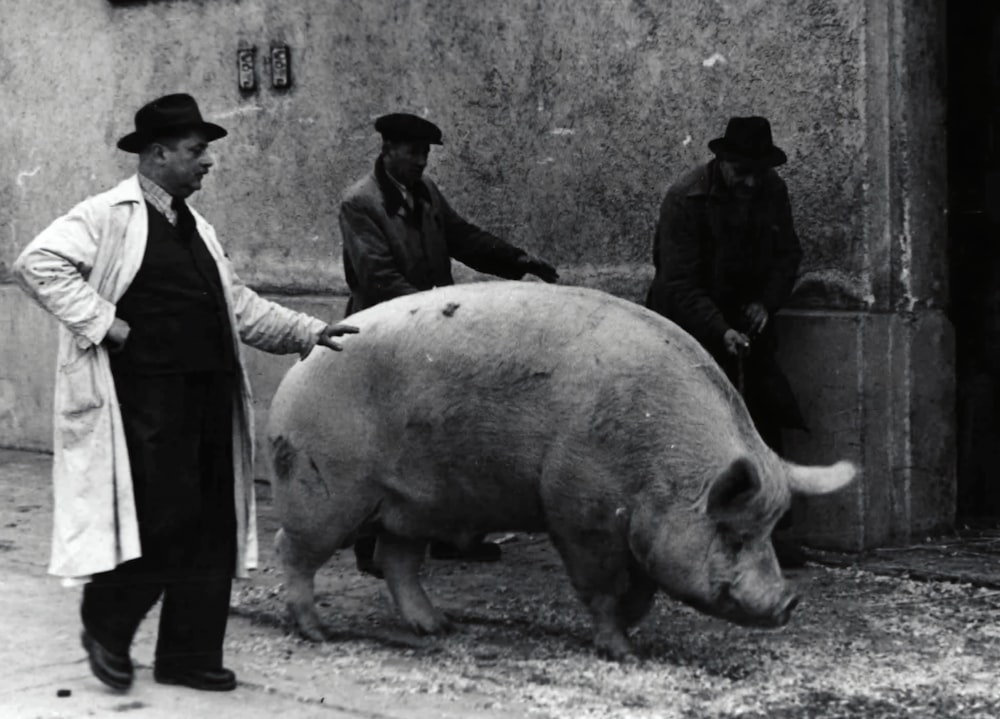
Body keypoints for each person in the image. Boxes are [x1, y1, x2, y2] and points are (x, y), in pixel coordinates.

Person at [13, 93, 359, 693]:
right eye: (197, 152)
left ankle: (189, 655)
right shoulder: (105, 215)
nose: (207, 163)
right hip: (143, 402)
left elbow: (238, 305)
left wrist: (308, 329)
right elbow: (37, 263)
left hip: (208, 397)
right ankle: (107, 620)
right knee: (165, 520)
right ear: (157, 153)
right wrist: (106, 323)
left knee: (212, 526)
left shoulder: (197, 226)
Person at [339, 112, 558, 571]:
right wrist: (439, 311)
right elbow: (378, 278)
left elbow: (462, 238)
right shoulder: (360, 203)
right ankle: (370, 545)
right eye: (414, 152)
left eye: (425, 153)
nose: (421, 161)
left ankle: (447, 535)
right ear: (388, 149)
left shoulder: (426, 194)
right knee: (384, 443)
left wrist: (518, 259)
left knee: (443, 439)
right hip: (384, 338)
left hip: (433, 336)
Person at [644, 116, 808, 565]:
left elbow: (787, 255)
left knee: (764, 417)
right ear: (722, 161)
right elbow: (678, 281)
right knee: (696, 425)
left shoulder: (771, 190)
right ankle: (690, 531)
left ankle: (769, 532)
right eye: (742, 171)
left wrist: (766, 303)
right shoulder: (685, 198)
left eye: (759, 171)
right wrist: (721, 330)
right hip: (690, 324)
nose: (751, 182)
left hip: (747, 323)